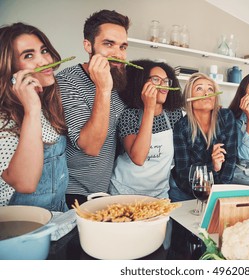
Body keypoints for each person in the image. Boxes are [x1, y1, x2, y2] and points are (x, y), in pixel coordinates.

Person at [56, 10, 129, 207]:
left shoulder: (119, 79)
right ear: (88, 45)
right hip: (72, 193)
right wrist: (103, 89)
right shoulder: (67, 81)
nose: (118, 53)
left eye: (123, 47)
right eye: (108, 44)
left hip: (104, 191)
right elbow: (90, 146)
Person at [0, 23, 68, 211]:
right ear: (9, 67)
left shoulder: (48, 106)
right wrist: (31, 110)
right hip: (18, 229)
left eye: (44, 51)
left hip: (58, 216)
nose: (45, 61)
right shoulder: (3, 120)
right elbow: (26, 184)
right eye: (28, 55)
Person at [109, 59, 183, 198]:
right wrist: (149, 107)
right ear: (141, 83)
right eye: (156, 80)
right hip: (124, 192)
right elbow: (138, 158)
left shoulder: (175, 115)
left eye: (166, 81)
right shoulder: (129, 115)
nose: (163, 85)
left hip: (159, 194)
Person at [170, 73, 237, 201]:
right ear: (189, 97)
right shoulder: (181, 127)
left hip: (217, 189)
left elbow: (232, 159)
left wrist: (218, 192)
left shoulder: (226, 116)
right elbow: (183, 172)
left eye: (210, 89)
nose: (207, 93)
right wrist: (212, 166)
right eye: (199, 89)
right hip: (184, 191)